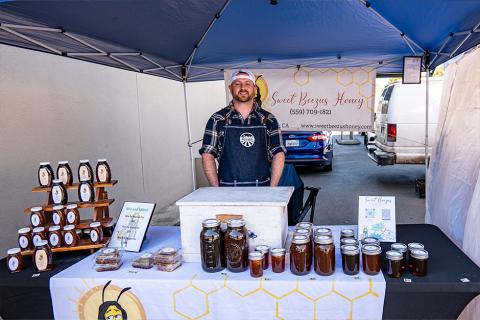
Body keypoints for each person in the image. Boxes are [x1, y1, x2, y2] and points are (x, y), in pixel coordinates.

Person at [199, 70, 285, 187]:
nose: (243, 87)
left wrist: (272, 189)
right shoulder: (217, 119)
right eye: (237, 83)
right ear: (230, 88)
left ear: (255, 89)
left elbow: (278, 154)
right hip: (227, 191)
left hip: (261, 191)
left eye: (248, 83)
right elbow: (207, 155)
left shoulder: (268, 119)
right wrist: (216, 190)